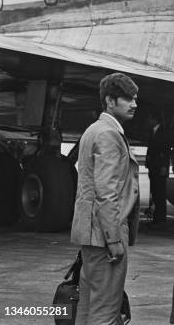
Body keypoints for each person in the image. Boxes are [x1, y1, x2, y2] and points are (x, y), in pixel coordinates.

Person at [70, 73, 140, 325]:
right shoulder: (109, 135)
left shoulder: (93, 130)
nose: (134, 104)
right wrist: (114, 239)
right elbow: (107, 192)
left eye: (135, 99)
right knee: (106, 313)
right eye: (128, 99)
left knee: (87, 308)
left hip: (90, 234)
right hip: (104, 236)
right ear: (110, 101)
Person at [146, 114, 171, 227]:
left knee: (160, 193)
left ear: (155, 119)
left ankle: (161, 218)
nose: (148, 120)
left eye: (150, 118)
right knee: (155, 192)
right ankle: (157, 218)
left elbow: (166, 151)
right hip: (153, 167)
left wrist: (164, 167)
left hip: (160, 167)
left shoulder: (163, 132)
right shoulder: (153, 131)